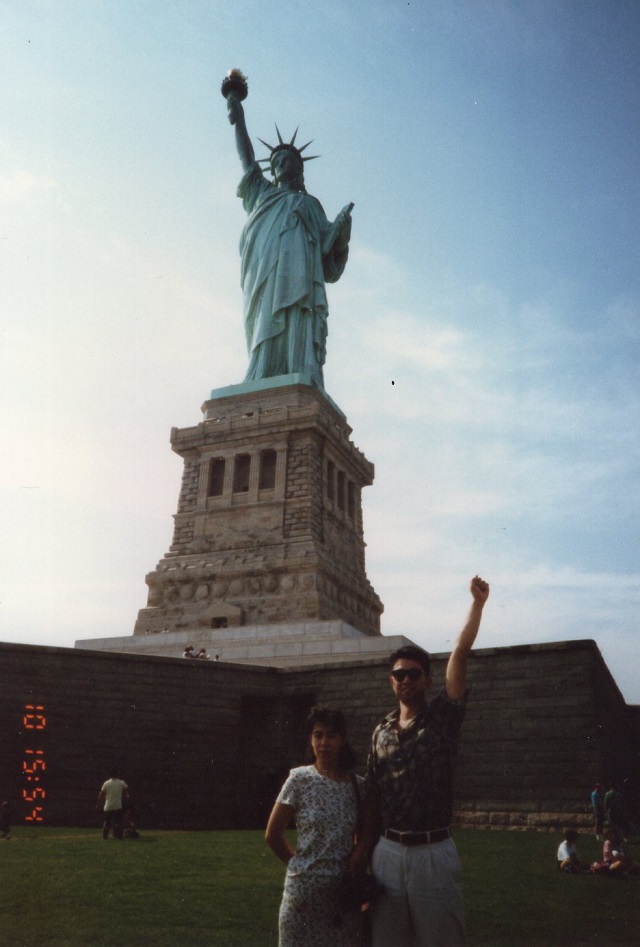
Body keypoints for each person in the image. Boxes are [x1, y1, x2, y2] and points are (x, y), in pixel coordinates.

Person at [351, 575, 490, 947]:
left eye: (414, 674)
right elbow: (372, 801)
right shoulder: (380, 733)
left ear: (427, 681)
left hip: (433, 852)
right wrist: (361, 854)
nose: (406, 679)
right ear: (391, 681)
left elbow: (459, 655)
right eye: (400, 674)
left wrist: (476, 605)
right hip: (388, 853)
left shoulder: (442, 719)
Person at [226, 86, 353, 389]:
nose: (282, 164)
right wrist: (239, 120)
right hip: (266, 274)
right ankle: (262, 371)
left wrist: (341, 234)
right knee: (265, 321)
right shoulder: (262, 193)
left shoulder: (310, 205)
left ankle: (300, 368)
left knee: (297, 317)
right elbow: (246, 158)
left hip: (300, 282)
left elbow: (328, 257)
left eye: (288, 160)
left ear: (299, 167)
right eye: (277, 161)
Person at [265, 706, 363, 946]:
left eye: (331, 735)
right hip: (302, 899)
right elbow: (273, 835)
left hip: (342, 899)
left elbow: (363, 837)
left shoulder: (359, 786)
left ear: (342, 740)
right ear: (310, 740)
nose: (324, 742)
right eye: (318, 735)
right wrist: (299, 865)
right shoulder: (299, 779)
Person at [97, 769, 129, 840]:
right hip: (117, 806)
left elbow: (101, 795)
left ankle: (104, 836)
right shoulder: (121, 783)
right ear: (117, 774)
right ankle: (118, 835)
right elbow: (126, 793)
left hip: (108, 806)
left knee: (106, 822)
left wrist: (99, 803)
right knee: (118, 822)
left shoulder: (106, 783)